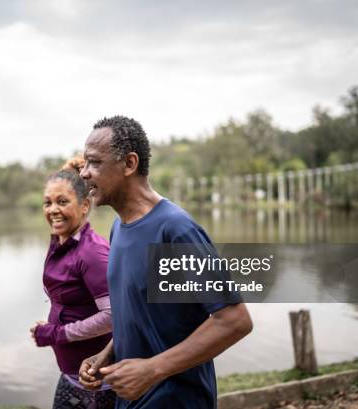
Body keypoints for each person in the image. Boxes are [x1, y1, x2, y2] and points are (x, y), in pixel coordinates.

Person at [78, 116, 253, 408]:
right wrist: (109, 352)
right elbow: (141, 314)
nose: (84, 173)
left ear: (129, 164)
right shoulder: (119, 228)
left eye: (94, 163)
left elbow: (233, 320)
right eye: (85, 163)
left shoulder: (175, 230)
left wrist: (152, 369)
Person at [30, 157, 116, 409]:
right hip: (71, 375)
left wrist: (57, 333)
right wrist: (66, 172)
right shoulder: (62, 240)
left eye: (62, 202)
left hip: (99, 381)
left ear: (85, 205)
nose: (53, 210)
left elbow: (113, 315)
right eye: (47, 203)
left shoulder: (92, 252)